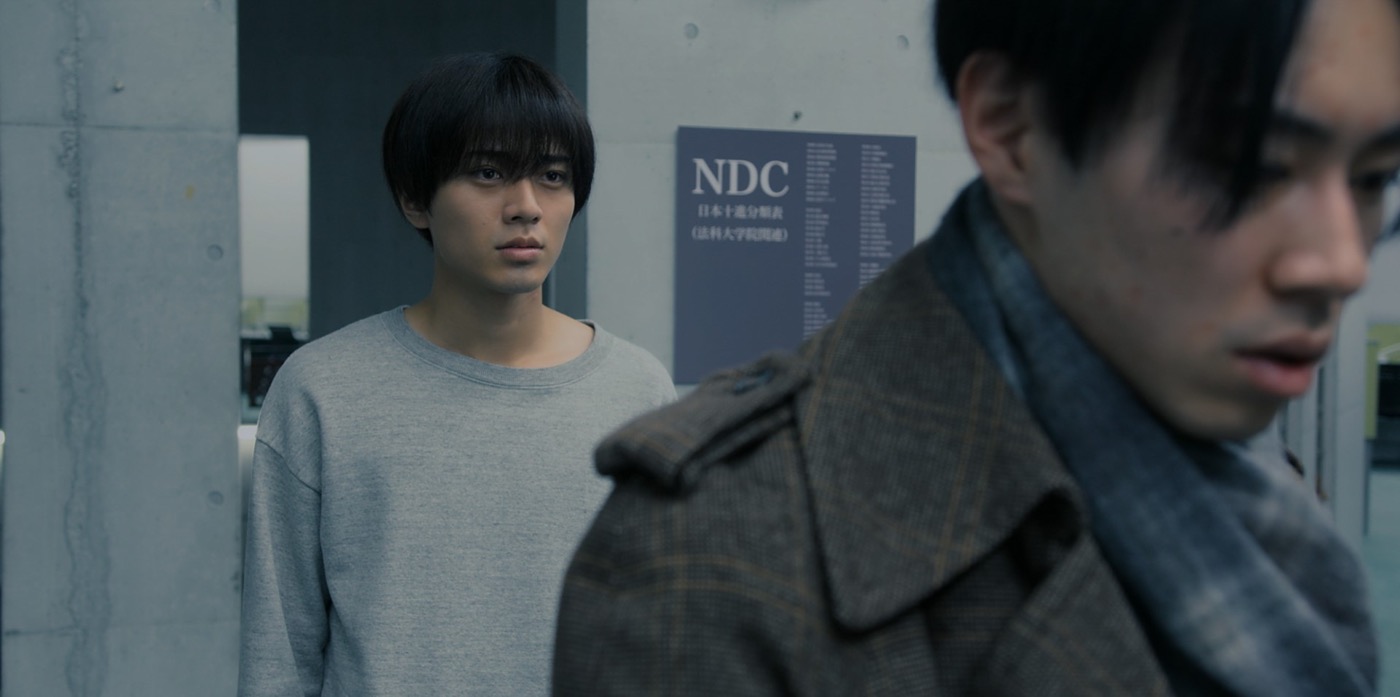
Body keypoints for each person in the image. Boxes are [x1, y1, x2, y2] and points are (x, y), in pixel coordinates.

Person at [553, 0, 1400, 693]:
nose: (1341, 262)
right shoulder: (713, 558)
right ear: (1011, 125)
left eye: (1374, 179)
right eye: (1250, 164)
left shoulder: (1262, 494)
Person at [238, 52, 676, 696]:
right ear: (415, 199)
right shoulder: (323, 390)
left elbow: (666, 634)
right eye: (488, 172)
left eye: (553, 176)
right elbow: (280, 655)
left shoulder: (638, 391)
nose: (526, 206)